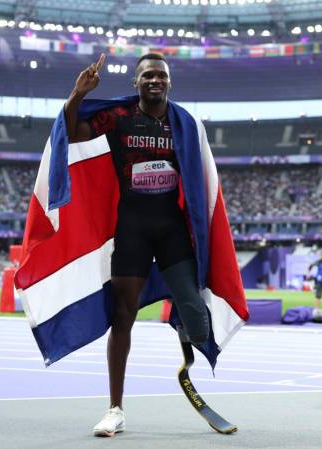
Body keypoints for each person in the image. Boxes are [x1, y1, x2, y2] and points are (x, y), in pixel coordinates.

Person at [64, 53, 210, 437]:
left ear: (169, 83)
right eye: (147, 75)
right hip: (132, 227)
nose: (155, 80)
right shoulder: (119, 118)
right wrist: (76, 96)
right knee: (122, 315)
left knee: (198, 319)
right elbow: (71, 132)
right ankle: (115, 408)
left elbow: (199, 177)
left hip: (172, 228)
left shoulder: (183, 123)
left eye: (161, 75)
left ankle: (181, 322)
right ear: (136, 83)